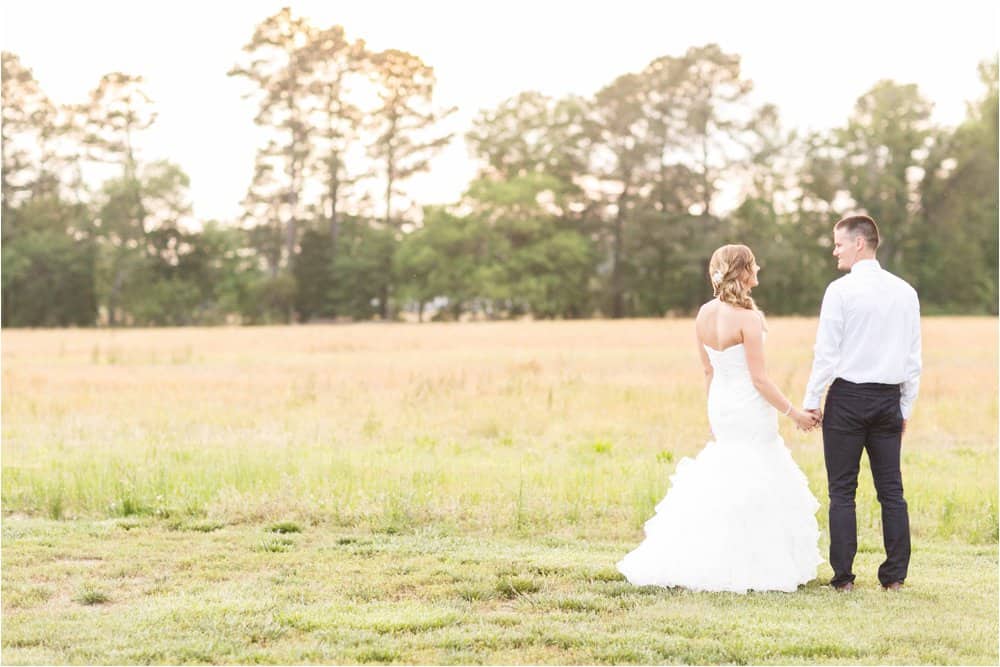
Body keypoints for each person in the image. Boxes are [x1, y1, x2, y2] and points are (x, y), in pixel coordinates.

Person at [617, 244, 823, 593]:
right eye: (754, 264)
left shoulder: (704, 313)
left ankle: (707, 555)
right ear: (743, 271)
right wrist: (795, 414)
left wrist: (712, 412)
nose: (759, 268)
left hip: (722, 404)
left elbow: (708, 370)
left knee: (726, 469)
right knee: (757, 471)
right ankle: (754, 564)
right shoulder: (748, 318)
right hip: (748, 404)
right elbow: (759, 379)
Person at [802, 215, 921, 592]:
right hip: (889, 400)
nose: (834, 250)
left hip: (848, 399)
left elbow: (826, 353)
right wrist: (905, 407)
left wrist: (811, 400)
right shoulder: (906, 292)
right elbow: (913, 358)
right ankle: (894, 578)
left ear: (859, 243)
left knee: (842, 490)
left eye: (838, 243)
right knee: (892, 490)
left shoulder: (839, 291)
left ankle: (844, 579)